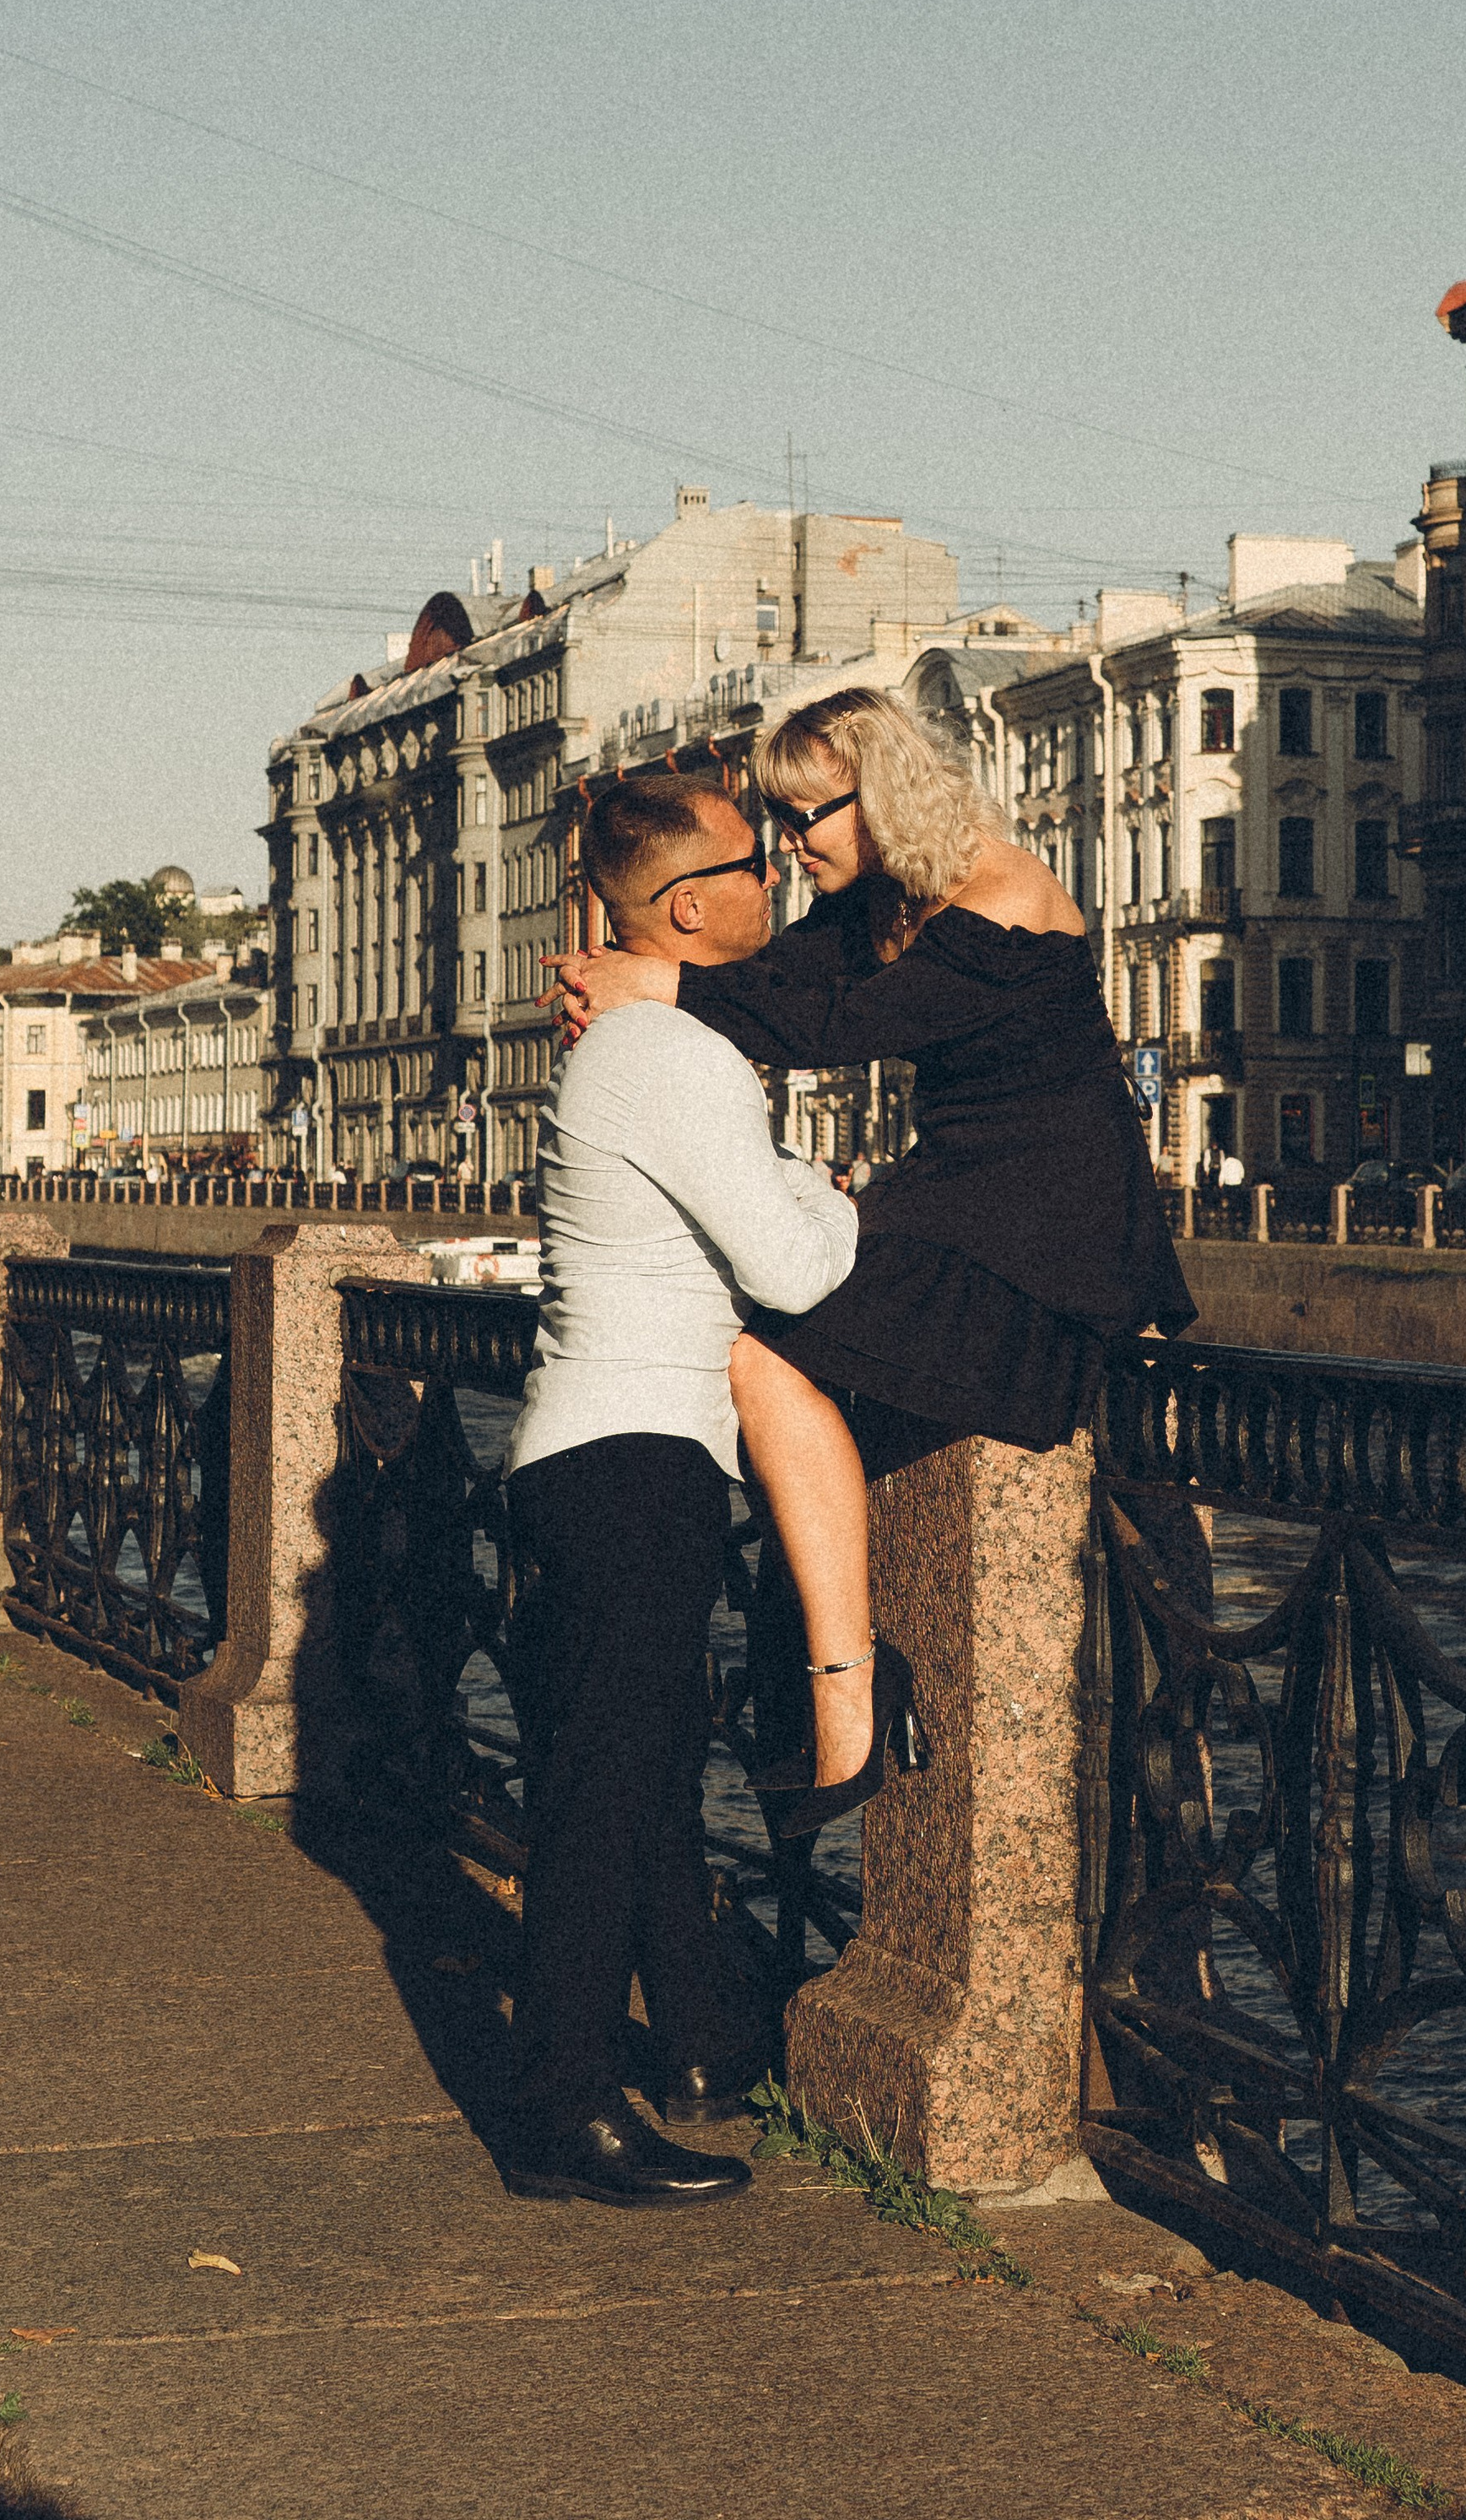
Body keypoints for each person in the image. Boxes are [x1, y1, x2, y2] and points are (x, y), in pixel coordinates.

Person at [552, 685, 1195, 1822]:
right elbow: (773, 986)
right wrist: (638, 991)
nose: (792, 849)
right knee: (769, 1354)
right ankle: (825, 1672)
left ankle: (843, 1700)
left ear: (880, 791)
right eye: (782, 826)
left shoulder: (1002, 894)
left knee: (764, 1359)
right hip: (957, 1204)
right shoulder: (874, 899)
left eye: (807, 818)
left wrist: (657, 985)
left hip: (1054, 1233)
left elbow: (832, 1032)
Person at [502, 771, 858, 2209]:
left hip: (593, 1455)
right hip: (638, 1458)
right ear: (694, 904)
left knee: (643, 1779)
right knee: (607, 1788)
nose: (781, 876)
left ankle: (705, 2040)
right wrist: (838, 1189)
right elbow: (793, 1266)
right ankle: (562, 2105)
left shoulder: (638, 1048)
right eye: (757, 859)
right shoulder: (666, 1056)